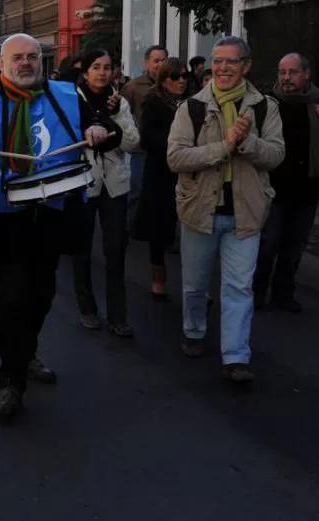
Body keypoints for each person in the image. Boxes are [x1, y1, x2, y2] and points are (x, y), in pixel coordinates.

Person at [0, 34, 118, 421]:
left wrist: (98, 132)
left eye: (33, 56)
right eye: (18, 57)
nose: (27, 63)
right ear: (2, 64)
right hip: (4, 218)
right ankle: (11, 381)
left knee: (43, 293)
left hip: (52, 214)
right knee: (14, 296)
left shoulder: (67, 96)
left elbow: (104, 125)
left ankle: (25, 353)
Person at [166, 36, 285, 384]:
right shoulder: (192, 107)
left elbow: (276, 155)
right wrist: (225, 146)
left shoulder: (265, 108)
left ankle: (236, 356)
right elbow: (175, 157)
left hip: (246, 212)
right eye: (217, 61)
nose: (222, 68)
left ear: (246, 66)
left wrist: (246, 142)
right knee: (194, 286)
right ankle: (194, 330)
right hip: (199, 210)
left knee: (239, 288)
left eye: (231, 62)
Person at [253, 53, 319, 313]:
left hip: (307, 188)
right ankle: (257, 292)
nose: (286, 78)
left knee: (295, 246)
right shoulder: (269, 104)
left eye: (292, 72)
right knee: (269, 243)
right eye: (282, 72)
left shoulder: (318, 102)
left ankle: (284, 293)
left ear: (306, 75)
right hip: (275, 187)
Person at [70, 49, 139, 336]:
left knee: (115, 248)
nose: (102, 72)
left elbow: (133, 142)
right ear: (85, 72)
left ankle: (117, 315)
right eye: (95, 67)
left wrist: (112, 122)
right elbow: (69, 139)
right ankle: (87, 308)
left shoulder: (119, 102)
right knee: (81, 248)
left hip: (115, 183)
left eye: (107, 67)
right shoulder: (71, 100)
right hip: (84, 181)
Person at [133, 57, 188, 298]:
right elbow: (146, 139)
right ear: (165, 80)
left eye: (184, 76)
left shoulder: (192, 103)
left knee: (191, 228)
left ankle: (195, 282)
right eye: (175, 77)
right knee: (159, 229)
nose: (181, 81)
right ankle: (158, 276)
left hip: (187, 172)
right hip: (160, 172)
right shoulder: (153, 101)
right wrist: (174, 141)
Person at [122, 45, 168, 222]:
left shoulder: (174, 83)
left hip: (167, 147)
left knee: (163, 192)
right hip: (141, 148)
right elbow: (124, 114)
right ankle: (128, 226)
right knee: (137, 189)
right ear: (147, 62)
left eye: (163, 60)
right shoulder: (134, 86)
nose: (160, 64)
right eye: (156, 61)